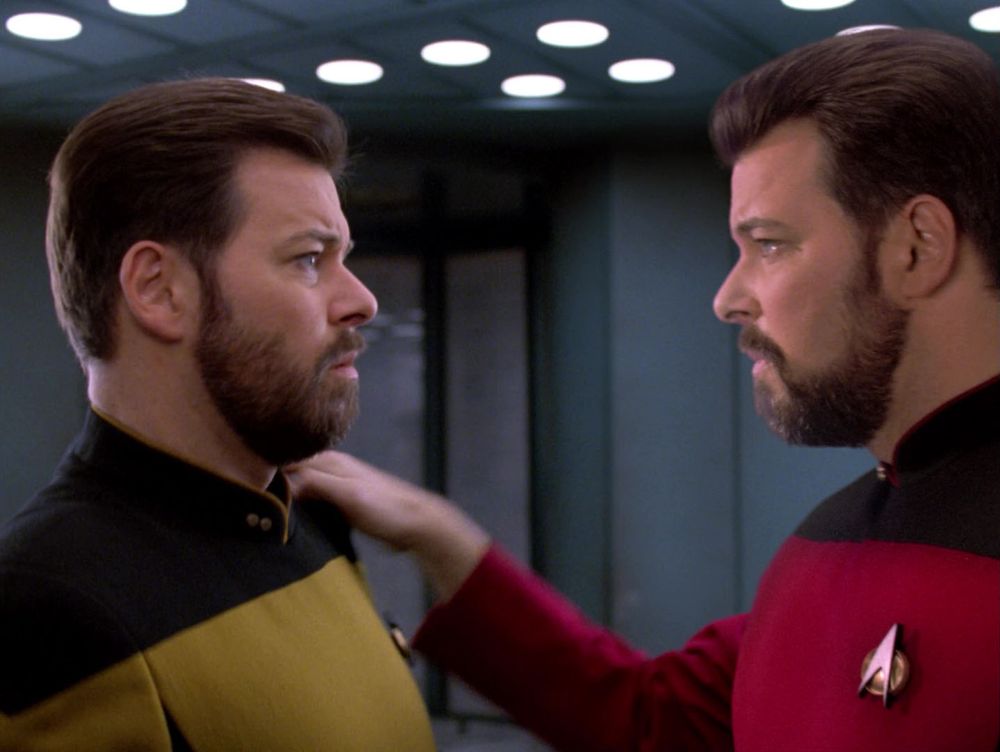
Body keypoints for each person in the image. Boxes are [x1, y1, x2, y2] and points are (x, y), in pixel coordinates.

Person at [286, 28, 1000, 751]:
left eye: (771, 244)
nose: (729, 298)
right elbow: (651, 720)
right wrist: (436, 533)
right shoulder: (831, 539)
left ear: (918, 247)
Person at [0, 79, 435, 750]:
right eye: (309, 259)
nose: (362, 301)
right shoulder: (47, 604)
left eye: (343, 258)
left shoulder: (309, 518)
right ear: (159, 289)